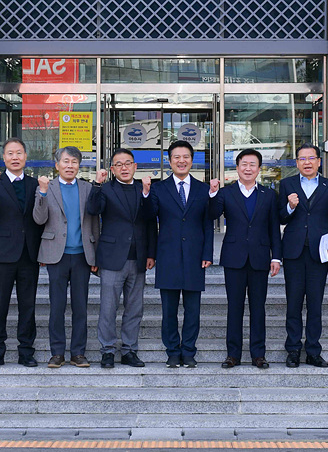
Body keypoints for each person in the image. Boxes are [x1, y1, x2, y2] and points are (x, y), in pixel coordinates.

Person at [149, 139, 222, 368]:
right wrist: (146, 194)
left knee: (193, 310)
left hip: (194, 256)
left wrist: (207, 253)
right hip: (167, 256)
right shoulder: (159, 188)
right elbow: (149, 220)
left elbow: (208, 223)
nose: (181, 161)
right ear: (169, 161)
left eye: (186, 157)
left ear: (192, 160)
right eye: (177, 157)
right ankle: (172, 351)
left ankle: (189, 350)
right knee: (169, 310)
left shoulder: (202, 189)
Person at [211, 149, 282, 369]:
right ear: (237, 167)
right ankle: (233, 354)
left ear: (259, 169)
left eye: (252, 164)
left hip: (260, 257)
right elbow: (211, 214)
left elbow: (274, 228)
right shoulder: (226, 193)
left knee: (258, 308)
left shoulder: (269, 195)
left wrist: (276, 257)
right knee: (234, 307)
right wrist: (212, 193)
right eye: (244, 164)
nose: (248, 168)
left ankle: (258, 354)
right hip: (234, 257)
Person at [87, 148, 156, 369]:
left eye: (128, 163)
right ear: (112, 169)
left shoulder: (143, 189)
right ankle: (107, 351)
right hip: (112, 258)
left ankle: (129, 350)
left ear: (135, 166)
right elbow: (93, 209)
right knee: (108, 308)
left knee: (135, 308)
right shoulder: (105, 189)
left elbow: (150, 221)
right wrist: (97, 184)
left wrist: (151, 253)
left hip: (138, 258)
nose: (124, 168)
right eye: (119, 164)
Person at [277, 143, 328, 368]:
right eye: (302, 159)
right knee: (293, 303)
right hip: (293, 251)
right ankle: (293, 349)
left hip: (319, 252)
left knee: (315, 303)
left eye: (311, 158)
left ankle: (313, 350)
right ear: (296, 163)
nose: (307, 162)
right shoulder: (287, 184)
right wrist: (289, 206)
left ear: (319, 161)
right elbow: (280, 217)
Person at [33, 146, 100, 369]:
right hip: (56, 256)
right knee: (57, 307)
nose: (70, 166)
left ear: (79, 165)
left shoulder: (87, 188)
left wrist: (96, 255)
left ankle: (78, 353)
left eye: (74, 162)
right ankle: (57, 352)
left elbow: (95, 223)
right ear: (57, 165)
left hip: (82, 255)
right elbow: (39, 219)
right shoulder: (46, 187)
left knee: (81, 307)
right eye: (65, 161)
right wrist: (42, 194)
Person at [0, 137, 43, 368]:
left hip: (29, 254)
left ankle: (26, 351)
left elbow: (40, 219)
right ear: (3, 157)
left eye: (19, 153)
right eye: (10, 153)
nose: (15, 157)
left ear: (25, 156)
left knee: (28, 305)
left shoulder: (35, 184)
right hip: (2, 254)